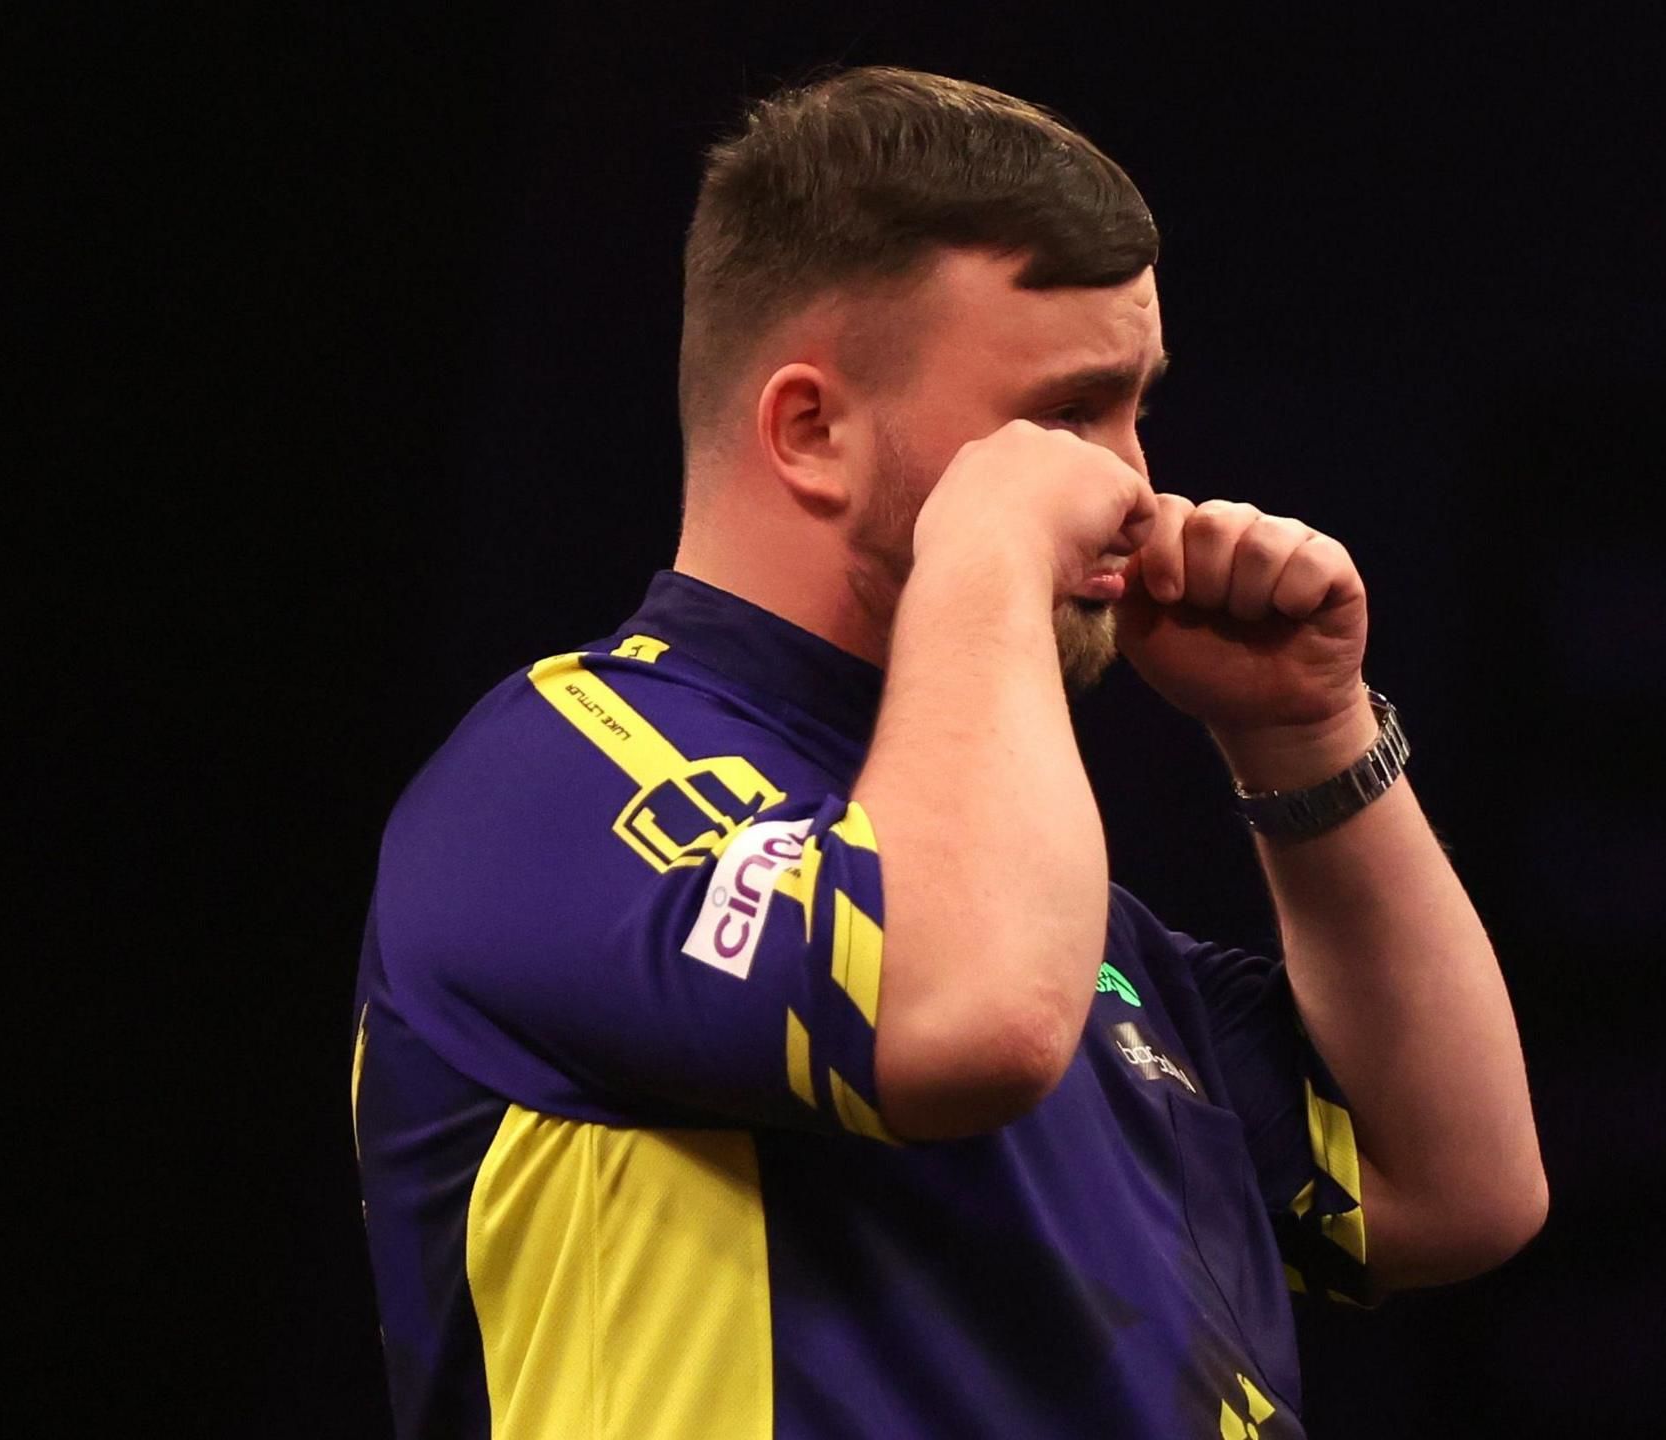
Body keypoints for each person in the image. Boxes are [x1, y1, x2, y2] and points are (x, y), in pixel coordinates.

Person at [349, 65, 1545, 1440]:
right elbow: (965, 1016)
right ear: (812, 432)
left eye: (1136, 410)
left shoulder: (1058, 926)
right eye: (1064, 417)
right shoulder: (541, 789)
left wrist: (1306, 735)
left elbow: (1451, 1188)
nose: (1133, 487)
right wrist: (987, 550)